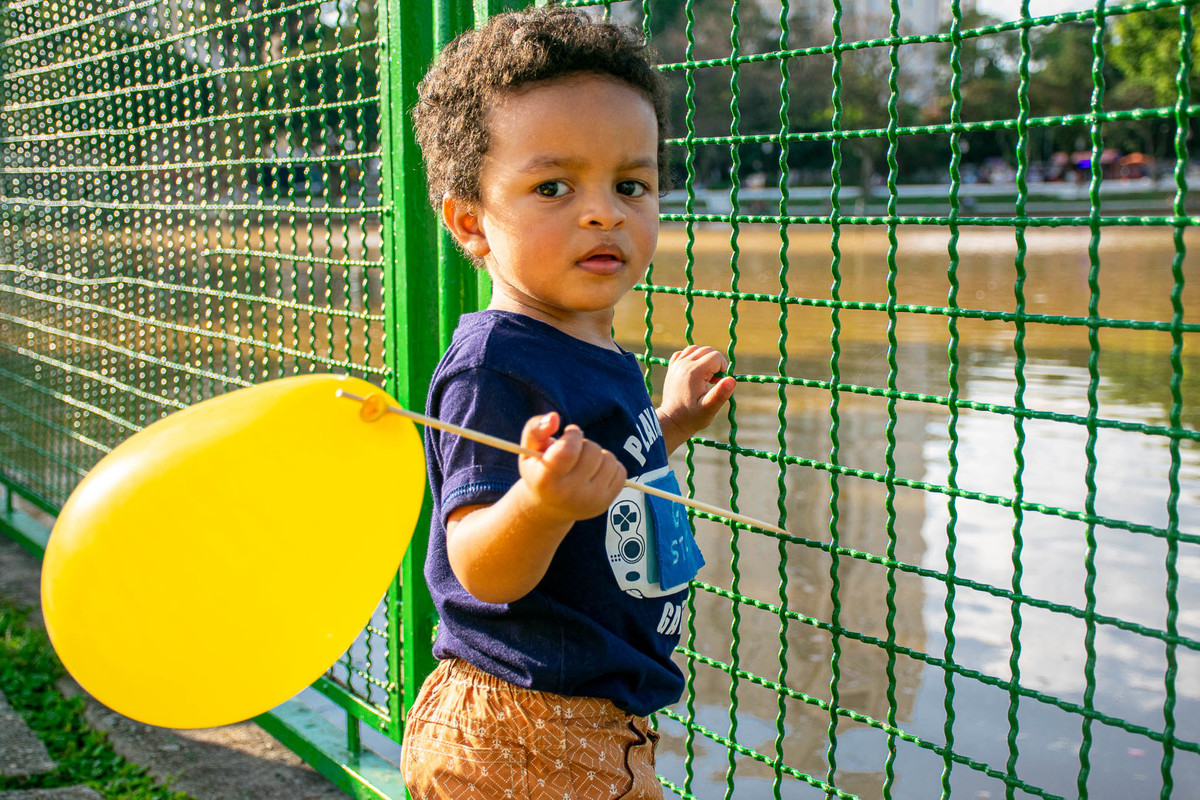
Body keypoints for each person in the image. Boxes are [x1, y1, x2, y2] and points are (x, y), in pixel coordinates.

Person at [403, 7, 736, 798]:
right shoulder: (497, 368)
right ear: (470, 222)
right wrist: (539, 504)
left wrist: (669, 422)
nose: (604, 211)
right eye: (553, 186)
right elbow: (478, 564)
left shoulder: (590, 349)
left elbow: (605, 477)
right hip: (523, 729)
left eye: (631, 184)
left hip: (594, 719)